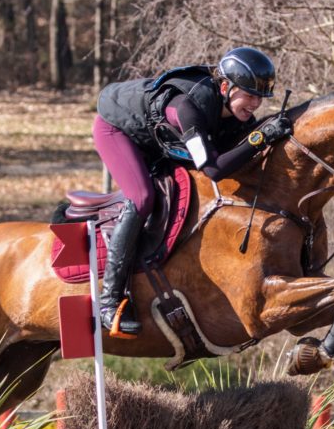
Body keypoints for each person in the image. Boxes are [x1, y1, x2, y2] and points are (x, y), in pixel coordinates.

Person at [92, 47, 294, 337]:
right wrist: (260, 138)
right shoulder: (188, 108)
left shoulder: (234, 112)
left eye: (260, 97)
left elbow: (239, 153)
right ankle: (109, 301)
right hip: (117, 130)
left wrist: (265, 136)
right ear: (225, 87)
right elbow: (212, 168)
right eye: (249, 95)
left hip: (157, 136)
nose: (256, 104)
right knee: (143, 197)